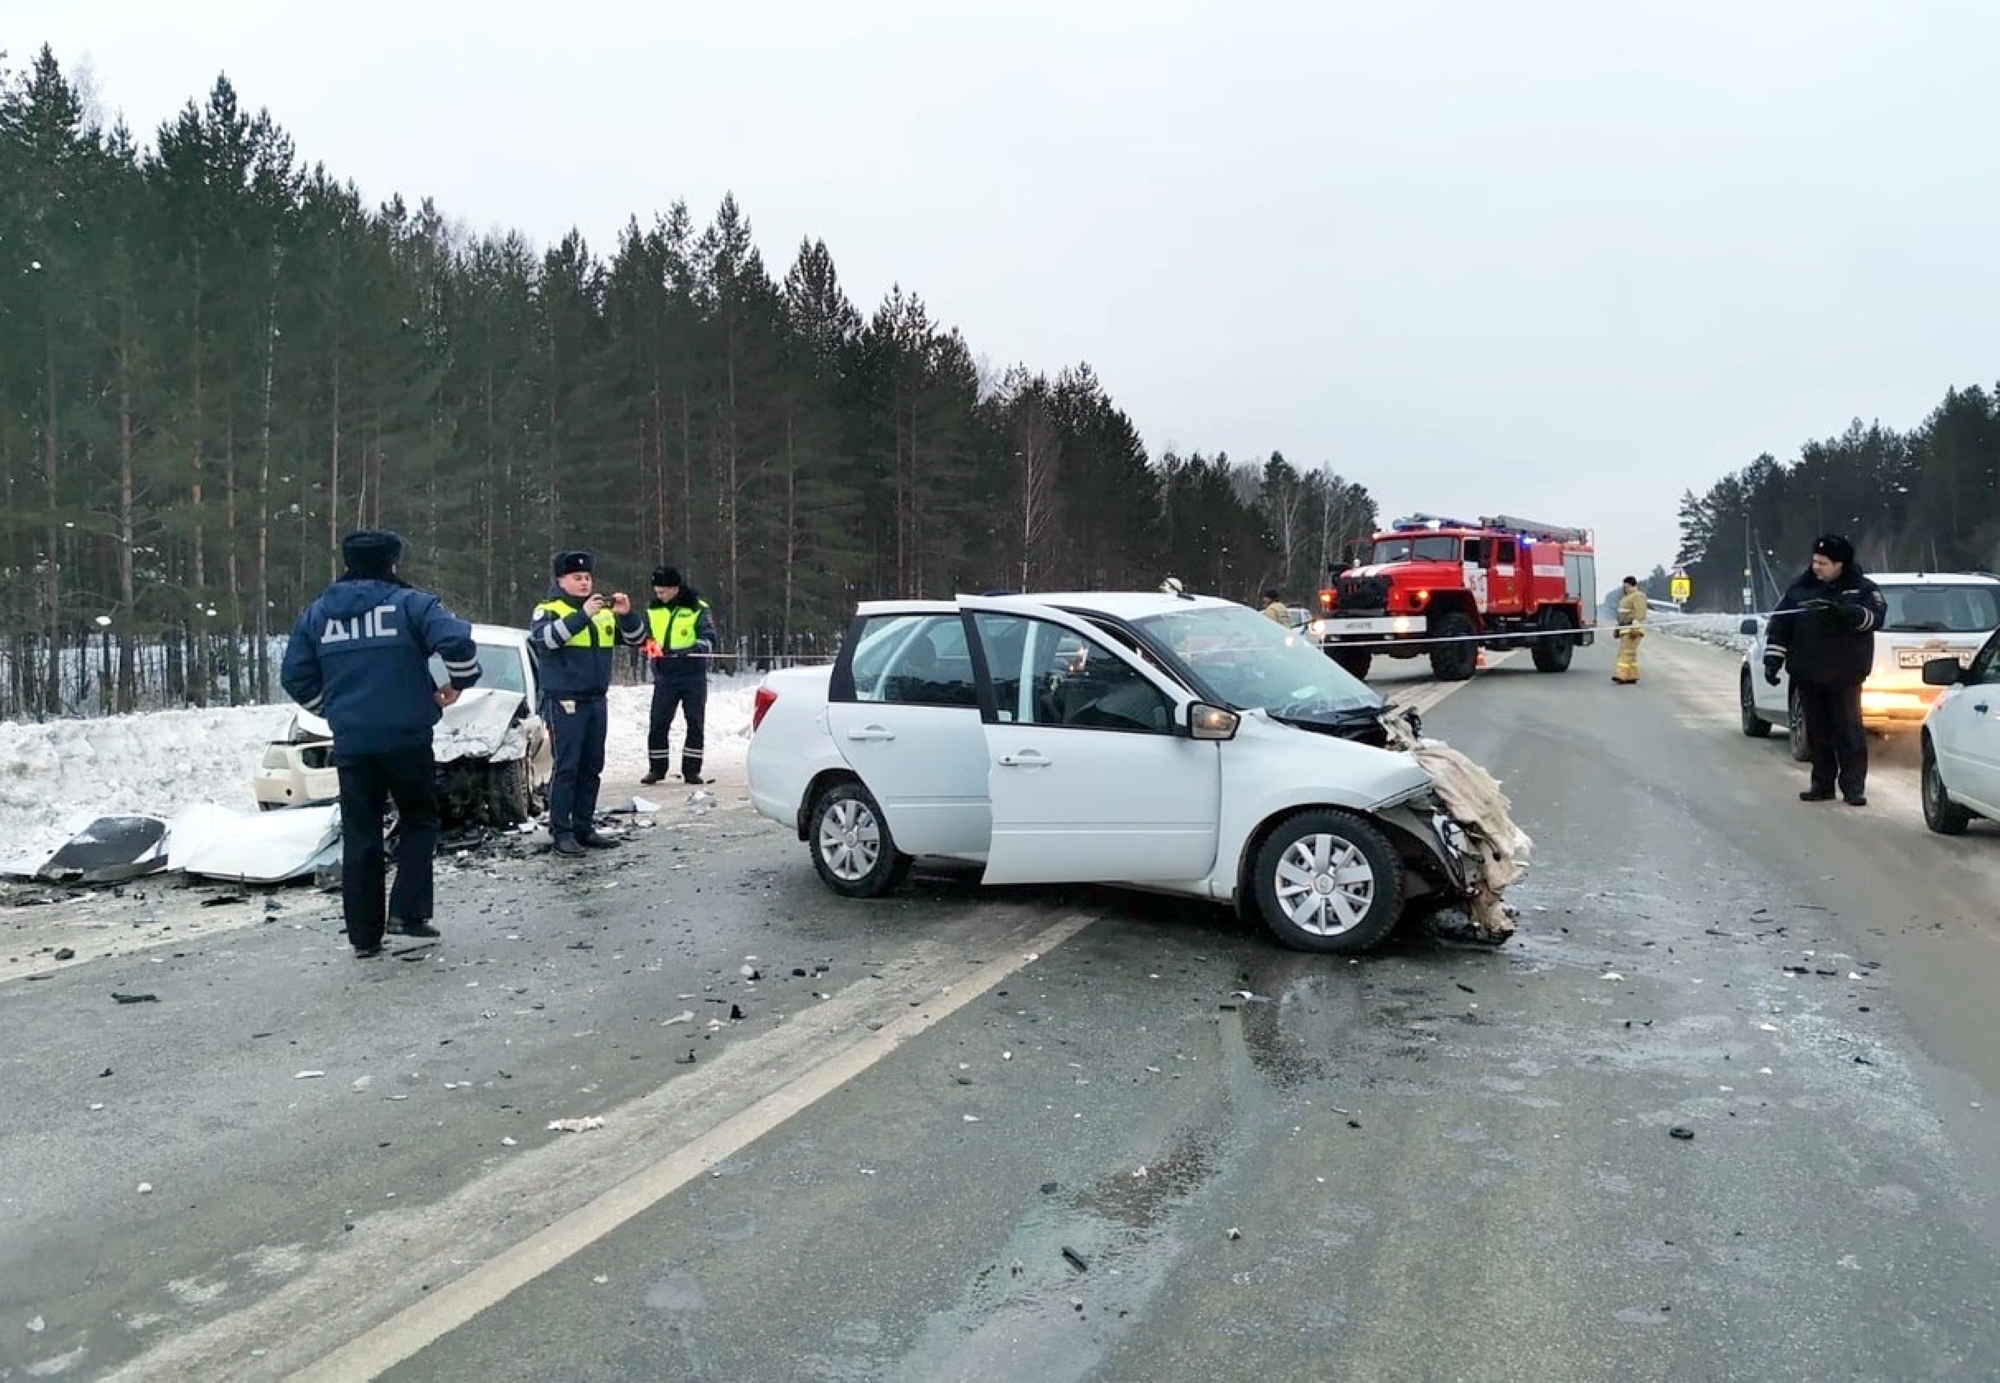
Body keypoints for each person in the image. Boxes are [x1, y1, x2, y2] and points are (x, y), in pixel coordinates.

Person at [280, 530, 482, 958]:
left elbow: (294, 677)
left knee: (361, 834)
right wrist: (457, 684)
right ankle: (408, 913)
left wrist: (333, 709)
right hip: (407, 735)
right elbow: (458, 643)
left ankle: (364, 937)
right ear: (392, 564)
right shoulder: (412, 604)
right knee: (418, 819)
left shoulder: (317, 614)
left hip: (353, 741)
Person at [531, 550, 645, 855]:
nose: (584, 582)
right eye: (576, 578)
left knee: (592, 766)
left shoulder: (602, 612)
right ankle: (561, 831)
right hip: (565, 700)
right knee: (566, 767)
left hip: (596, 699)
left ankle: (584, 826)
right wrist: (583, 615)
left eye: (587, 577)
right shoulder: (548, 609)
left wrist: (627, 614)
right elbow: (546, 641)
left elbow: (637, 639)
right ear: (561, 580)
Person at [1762, 533, 1887, 806]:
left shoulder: (1862, 589)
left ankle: (1853, 787)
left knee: (1848, 732)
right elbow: (1780, 626)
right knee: (1817, 733)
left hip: (1844, 674)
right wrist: (1773, 660)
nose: (1816, 566)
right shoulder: (1799, 590)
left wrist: (1846, 613)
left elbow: (1875, 618)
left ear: (1839, 564)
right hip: (1807, 673)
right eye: (1815, 561)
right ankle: (1822, 784)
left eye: (1823, 562)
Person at [641, 565, 718, 785]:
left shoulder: (697, 607)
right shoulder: (653, 609)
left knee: (694, 722)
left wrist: (695, 648)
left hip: (692, 674)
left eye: (663, 591)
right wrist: (650, 647)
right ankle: (656, 768)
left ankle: (692, 770)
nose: (660, 595)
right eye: (657, 591)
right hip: (664, 675)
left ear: (675, 588)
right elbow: (646, 637)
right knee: (658, 722)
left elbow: (709, 638)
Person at [1612, 576, 1648, 684]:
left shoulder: (1638, 596)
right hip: (1624, 629)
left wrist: (1635, 627)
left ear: (1633, 585)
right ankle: (1632, 675)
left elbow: (1640, 613)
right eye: (1624, 586)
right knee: (1630, 654)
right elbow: (1622, 615)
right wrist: (1617, 628)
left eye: (1627, 586)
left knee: (1625, 653)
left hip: (1632, 629)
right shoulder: (1625, 598)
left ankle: (1621, 675)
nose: (1625, 588)